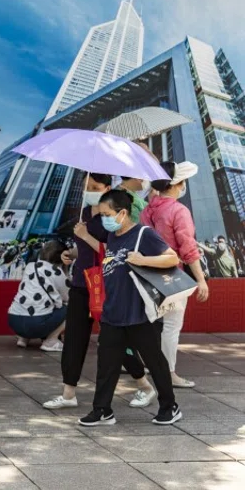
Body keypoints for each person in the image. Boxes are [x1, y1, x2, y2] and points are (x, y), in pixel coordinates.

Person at [44, 174, 156, 410]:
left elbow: (116, 251)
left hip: (107, 287)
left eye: (95, 187)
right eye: (87, 186)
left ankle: (145, 386)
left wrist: (86, 235)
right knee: (74, 338)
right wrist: (72, 253)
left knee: (114, 340)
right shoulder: (84, 214)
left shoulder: (115, 216)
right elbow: (84, 247)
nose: (90, 190)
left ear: (107, 188)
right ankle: (68, 394)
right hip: (81, 284)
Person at [79, 190, 182, 427]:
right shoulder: (112, 236)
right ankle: (102, 410)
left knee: (155, 361)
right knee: (107, 364)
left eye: (107, 214)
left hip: (140, 314)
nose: (104, 218)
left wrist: (144, 260)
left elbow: (171, 258)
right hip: (114, 312)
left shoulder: (144, 234)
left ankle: (170, 406)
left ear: (122, 213)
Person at [142, 161, 210, 388]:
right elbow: (188, 249)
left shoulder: (148, 209)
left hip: (146, 274)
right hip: (171, 277)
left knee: (150, 325)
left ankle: (148, 367)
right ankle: (168, 374)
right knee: (171, 327)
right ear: (177, 184)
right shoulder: (178, 210)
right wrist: (200, 280)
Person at [8, 240, 68, 351]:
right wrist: (66, 273)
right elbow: (67, 297)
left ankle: (23, 338)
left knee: (36, 303)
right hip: (36, 324)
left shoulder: (30, 266)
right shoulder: (57, 272)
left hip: (14, 320)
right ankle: (51, 341)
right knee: (73, 307)